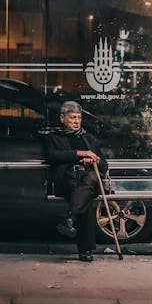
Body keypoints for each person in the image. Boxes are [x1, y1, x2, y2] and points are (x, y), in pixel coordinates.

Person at [42, 101, 108, 261]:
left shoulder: (89, 139)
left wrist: (93, 161)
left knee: (87, 183)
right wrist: (79, 153)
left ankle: (71, 218)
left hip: (89, 180)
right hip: (67, 179)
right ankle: (85, 250)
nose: (77, 121)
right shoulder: (53, 138)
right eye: (72, 118)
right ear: (62, 118)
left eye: (79, 117)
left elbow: (104, 165)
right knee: (83, 195)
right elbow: (51, 156)